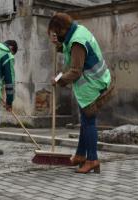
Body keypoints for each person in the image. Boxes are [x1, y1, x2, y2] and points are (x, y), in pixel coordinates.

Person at [48, 13, 115, 173]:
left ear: (62, 29)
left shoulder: (77, 42)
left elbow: (76, 71)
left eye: (56, 33)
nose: (55, 35)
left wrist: (59, 81)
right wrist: (58, 45)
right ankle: (80, 155)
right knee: (85, 121)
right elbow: (68, 48)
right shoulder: (78, 30)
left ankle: (92, 159)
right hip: (96, 81)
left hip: (92, 84)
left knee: (89, 121)